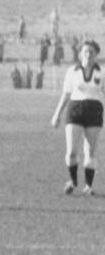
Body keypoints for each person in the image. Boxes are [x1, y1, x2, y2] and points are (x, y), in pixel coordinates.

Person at [49, 40, 104, 195]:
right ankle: (73, 181)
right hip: (75, 109)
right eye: (85, 51)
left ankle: (88, 186)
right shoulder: (72, 71)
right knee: (72, 151)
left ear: (96, 55)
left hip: (94, 110)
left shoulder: (102, 72)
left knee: (90, 152)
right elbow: (66, 94)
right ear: (80, 54)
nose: (88, 55)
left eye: (91, 52)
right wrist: (56, 114)